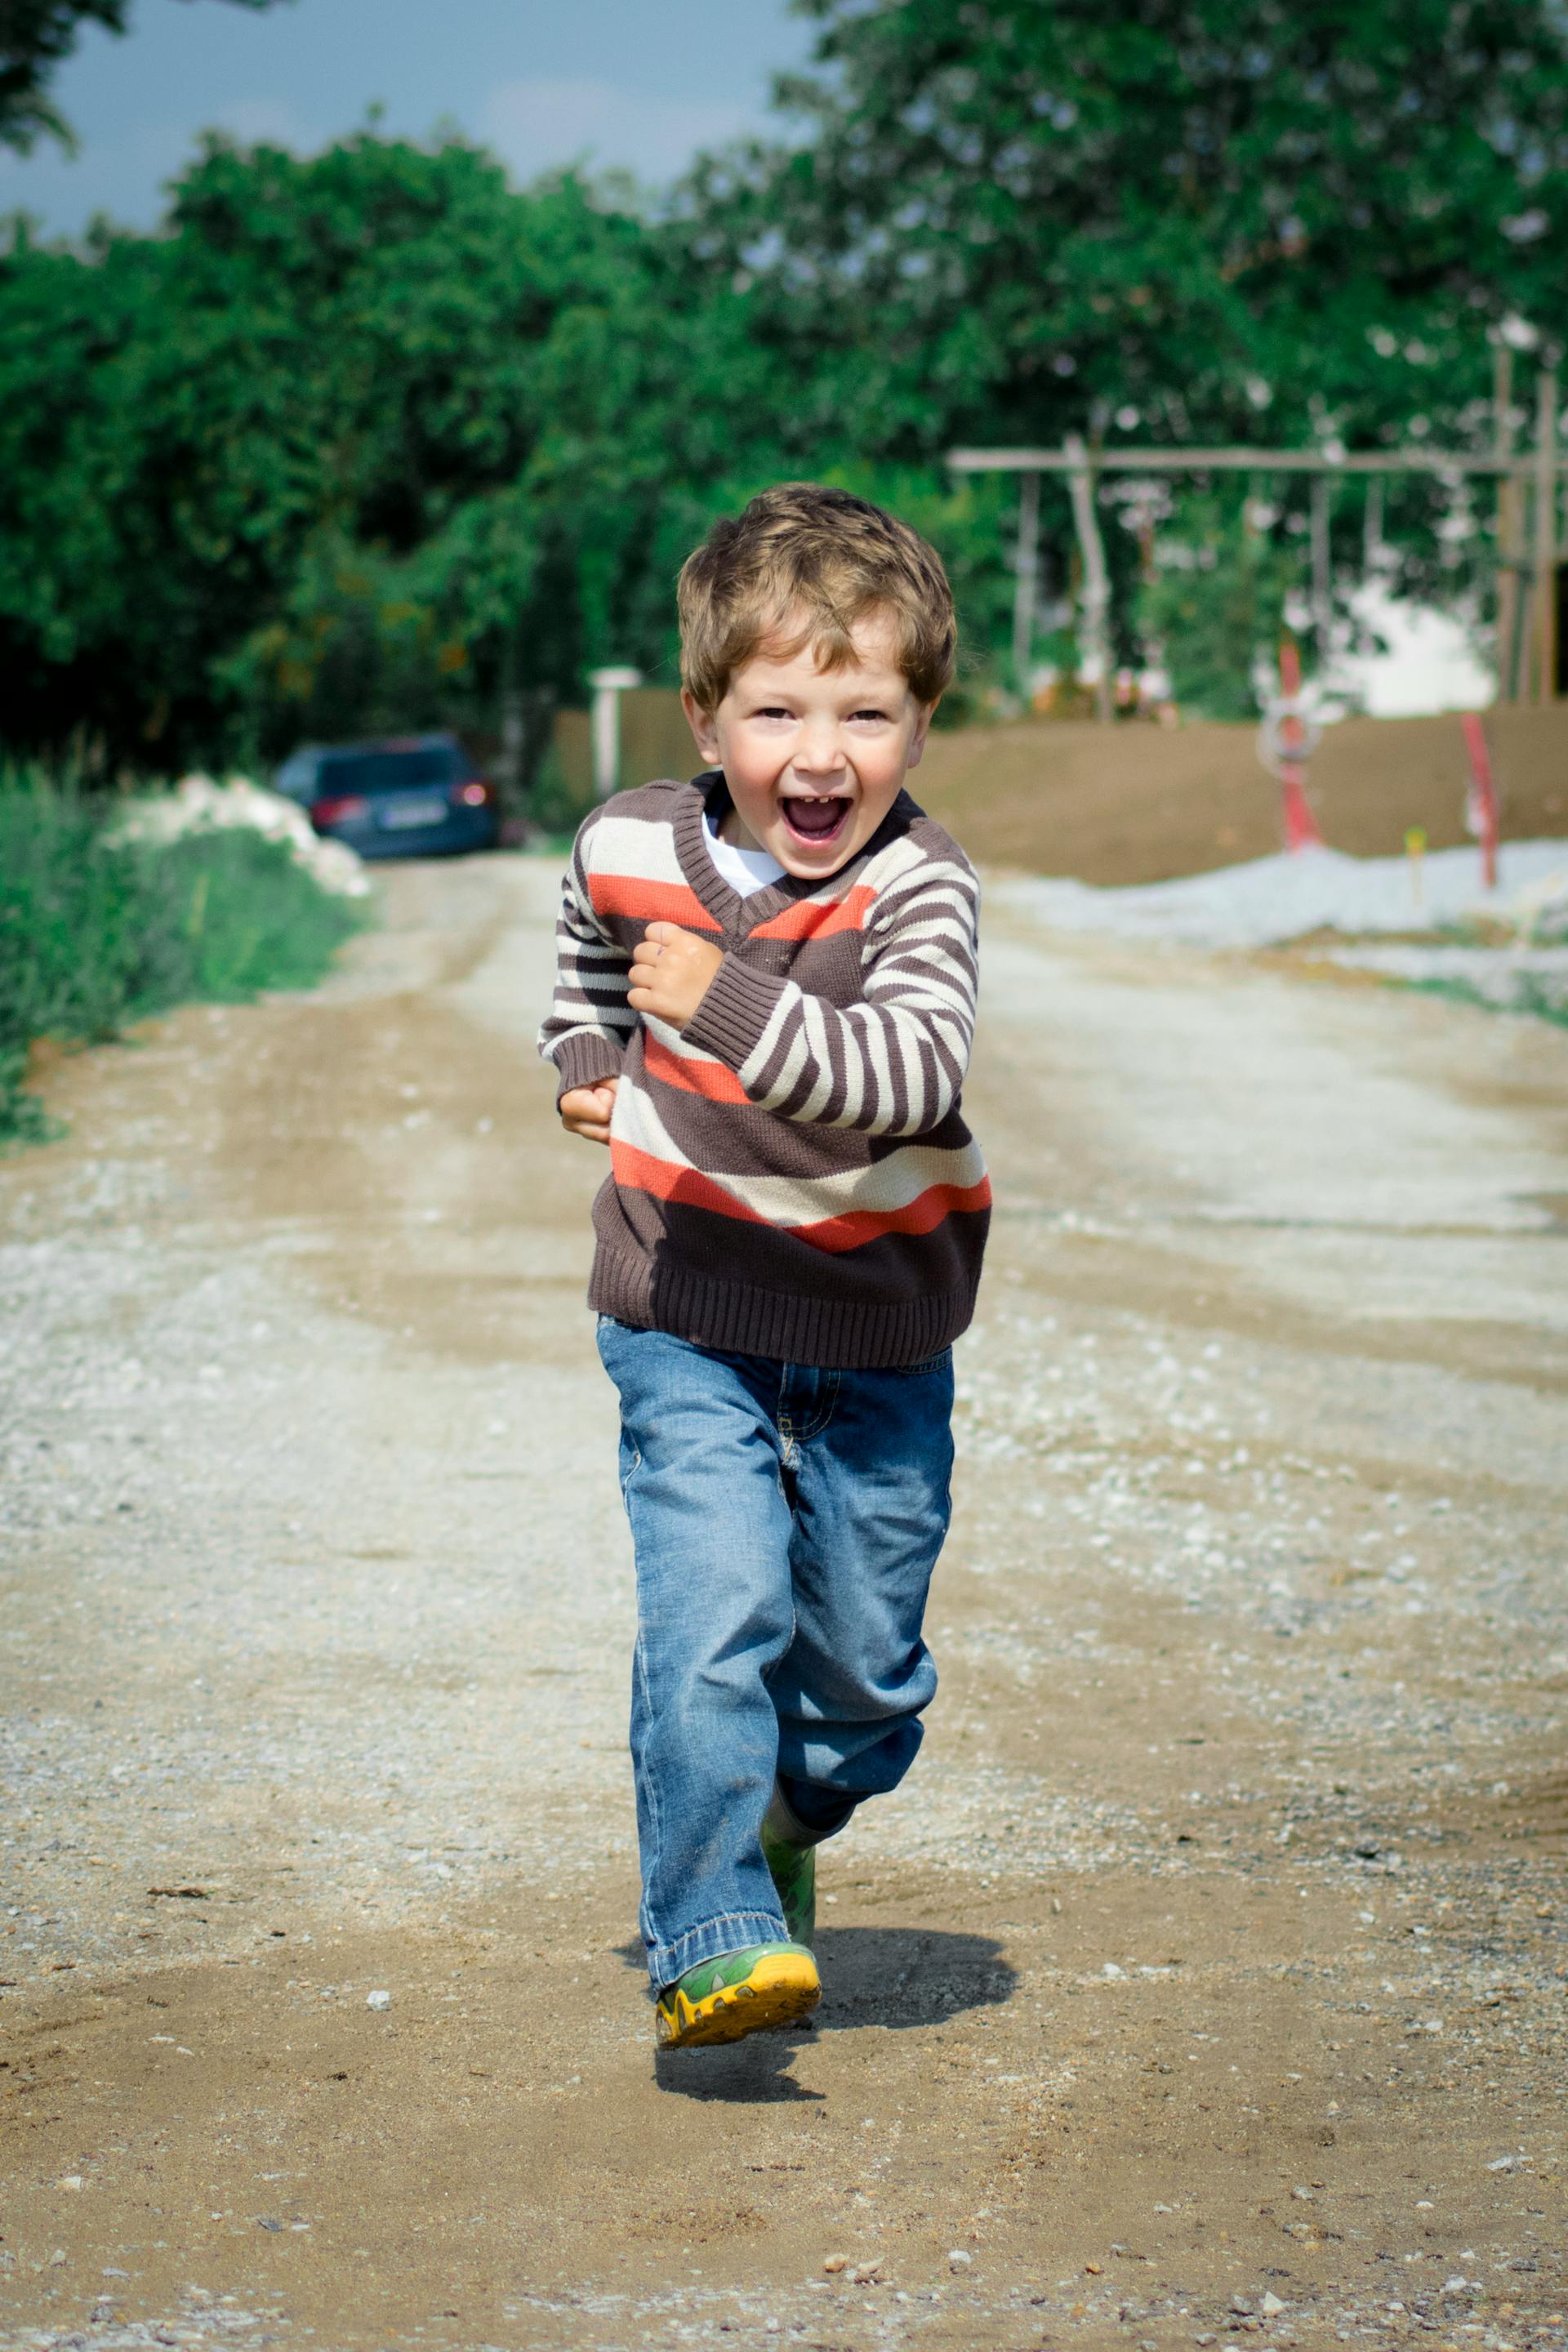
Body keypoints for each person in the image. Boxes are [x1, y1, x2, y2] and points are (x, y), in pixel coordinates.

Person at [537, 483, 991, 2048]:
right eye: (777, 707)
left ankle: (786, 1818)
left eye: (866, 711)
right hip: (687, 1308)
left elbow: (910, 1074)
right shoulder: (629, 842)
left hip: (875, 1328)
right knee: (712, 1611)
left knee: (867, 1688)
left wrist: (719, 1005)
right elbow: (588, 952)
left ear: (920, 724)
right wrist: (590, 1052)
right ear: (704, 714)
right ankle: (712, 1926)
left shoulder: (919, 889)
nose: (821, 752)